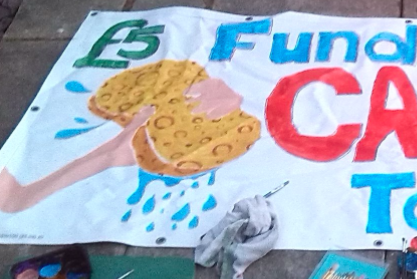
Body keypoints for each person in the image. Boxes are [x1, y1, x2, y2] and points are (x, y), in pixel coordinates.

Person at [0, 60, 261, 213]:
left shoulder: (241, 123)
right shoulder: (193, 78)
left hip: (162, 140)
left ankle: (28, 192)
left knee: (101, 154)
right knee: (98, 151)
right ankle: (27, 189)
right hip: (154, 129)